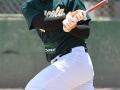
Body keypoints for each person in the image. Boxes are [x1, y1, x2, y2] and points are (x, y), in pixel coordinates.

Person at [21, 0, 94, 90]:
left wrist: (71, 26)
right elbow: (43, 23)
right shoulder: (29, 6)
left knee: (33, 87)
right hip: (67, 65)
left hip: (74, 59)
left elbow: (85, 32)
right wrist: (66, 18)